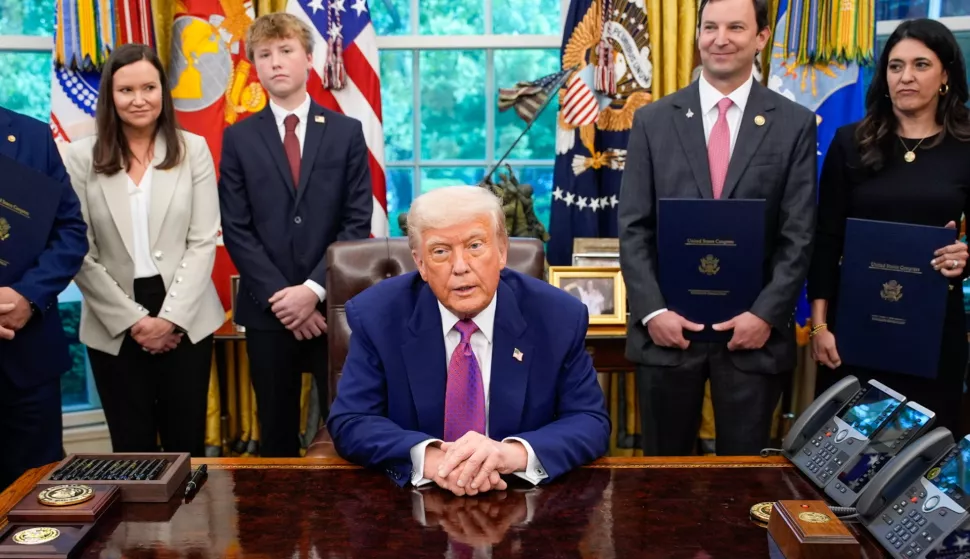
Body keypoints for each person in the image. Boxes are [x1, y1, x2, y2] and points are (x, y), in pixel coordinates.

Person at [618, 0, 817, 456]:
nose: (720, 39)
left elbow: (799, 235)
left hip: (753, 337)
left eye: (735, 28)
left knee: (744, 479)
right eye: (710, 27)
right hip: (667, 334)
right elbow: (633, 227)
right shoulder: (652, 120)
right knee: (663, 478)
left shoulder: (794, 124)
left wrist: (765, 315)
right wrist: (653, 312)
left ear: (761, 37)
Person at [327, 186, 610, 495]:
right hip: (413, 498)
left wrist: (509, 455)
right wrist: (433, 460)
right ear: (420, 263)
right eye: (440, 251)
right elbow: (352, 419)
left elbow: (589, 420)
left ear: (502, 251)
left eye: (475, 246)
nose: (460, 267)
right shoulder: (377, 316)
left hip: (520, 494)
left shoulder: (558, 317)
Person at [219, 13, 373, 457]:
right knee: (276, 434)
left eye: (286, 51)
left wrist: (311, 291)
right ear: (255, 66)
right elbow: (237, 228)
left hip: (330, 307)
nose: (275, 62)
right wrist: (284, 300)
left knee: (345, 429)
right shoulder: (238, 138)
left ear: (308, 58)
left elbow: (355, 221)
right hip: (268, 312)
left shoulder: (346, 132)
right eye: (264, 54)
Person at [809, 19, 970, 436]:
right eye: (895, 66)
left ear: (946, 74)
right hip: (855, 330)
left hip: (933, 332)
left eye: (921, 64)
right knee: (842, 454)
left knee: (922, 457)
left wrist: (964, 257)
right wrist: (820, 326)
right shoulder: (851, 141)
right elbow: (825, 239)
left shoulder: (966, 144)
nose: (906, 77)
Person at [63, 44, 224, 457]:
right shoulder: (80, 156)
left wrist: (169, 320)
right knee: (130, 449)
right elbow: (79, 250)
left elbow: (203, 240)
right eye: (126, 90)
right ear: (110, 96)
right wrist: (135, 321)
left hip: (185, 313)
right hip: (113, 316)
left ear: (162, 92)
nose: (139, 99)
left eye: (149, 88)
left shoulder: (193, 149)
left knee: (185, 447)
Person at [0, 108, 88, 490]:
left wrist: (28, 296)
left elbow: (70, 232)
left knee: (38, 500)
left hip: (28, 362)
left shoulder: (33, 136)